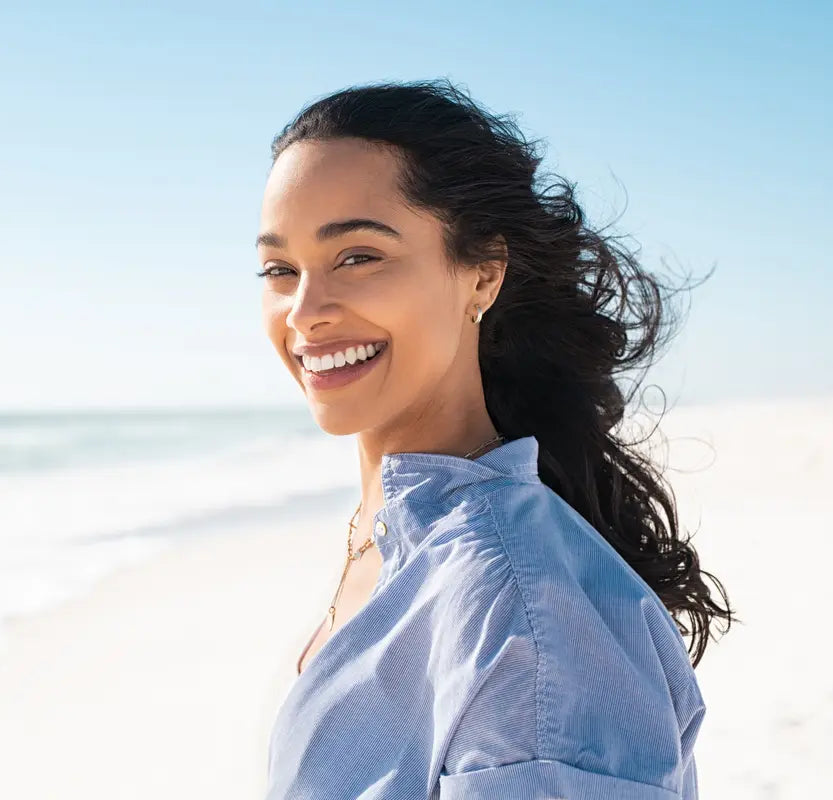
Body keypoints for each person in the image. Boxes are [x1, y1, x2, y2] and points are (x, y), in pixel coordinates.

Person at [255, 79, 734, 799]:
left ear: (482, 274)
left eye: (358, 256)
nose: (306, 311)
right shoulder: (395, 533)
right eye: (279, 270)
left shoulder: (525, 613)